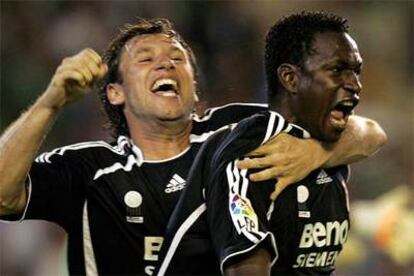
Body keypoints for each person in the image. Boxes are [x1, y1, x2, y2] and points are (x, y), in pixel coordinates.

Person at [0, 17, 385, 275]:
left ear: (195, 85)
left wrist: (318, 151)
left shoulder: (237, 130)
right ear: (115, 92)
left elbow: (367, 132)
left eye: (177, 58)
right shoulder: (90, 170)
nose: (165, 66)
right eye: (147, 59)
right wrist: (51, 102)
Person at [156, 11, 387, 276]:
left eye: (356, 71)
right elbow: (246, 268)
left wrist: (316, 153)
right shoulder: (256, 152)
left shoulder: (330, 148)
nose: (354, 84)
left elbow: (374, 134)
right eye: (336, 70)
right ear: (290, 78)